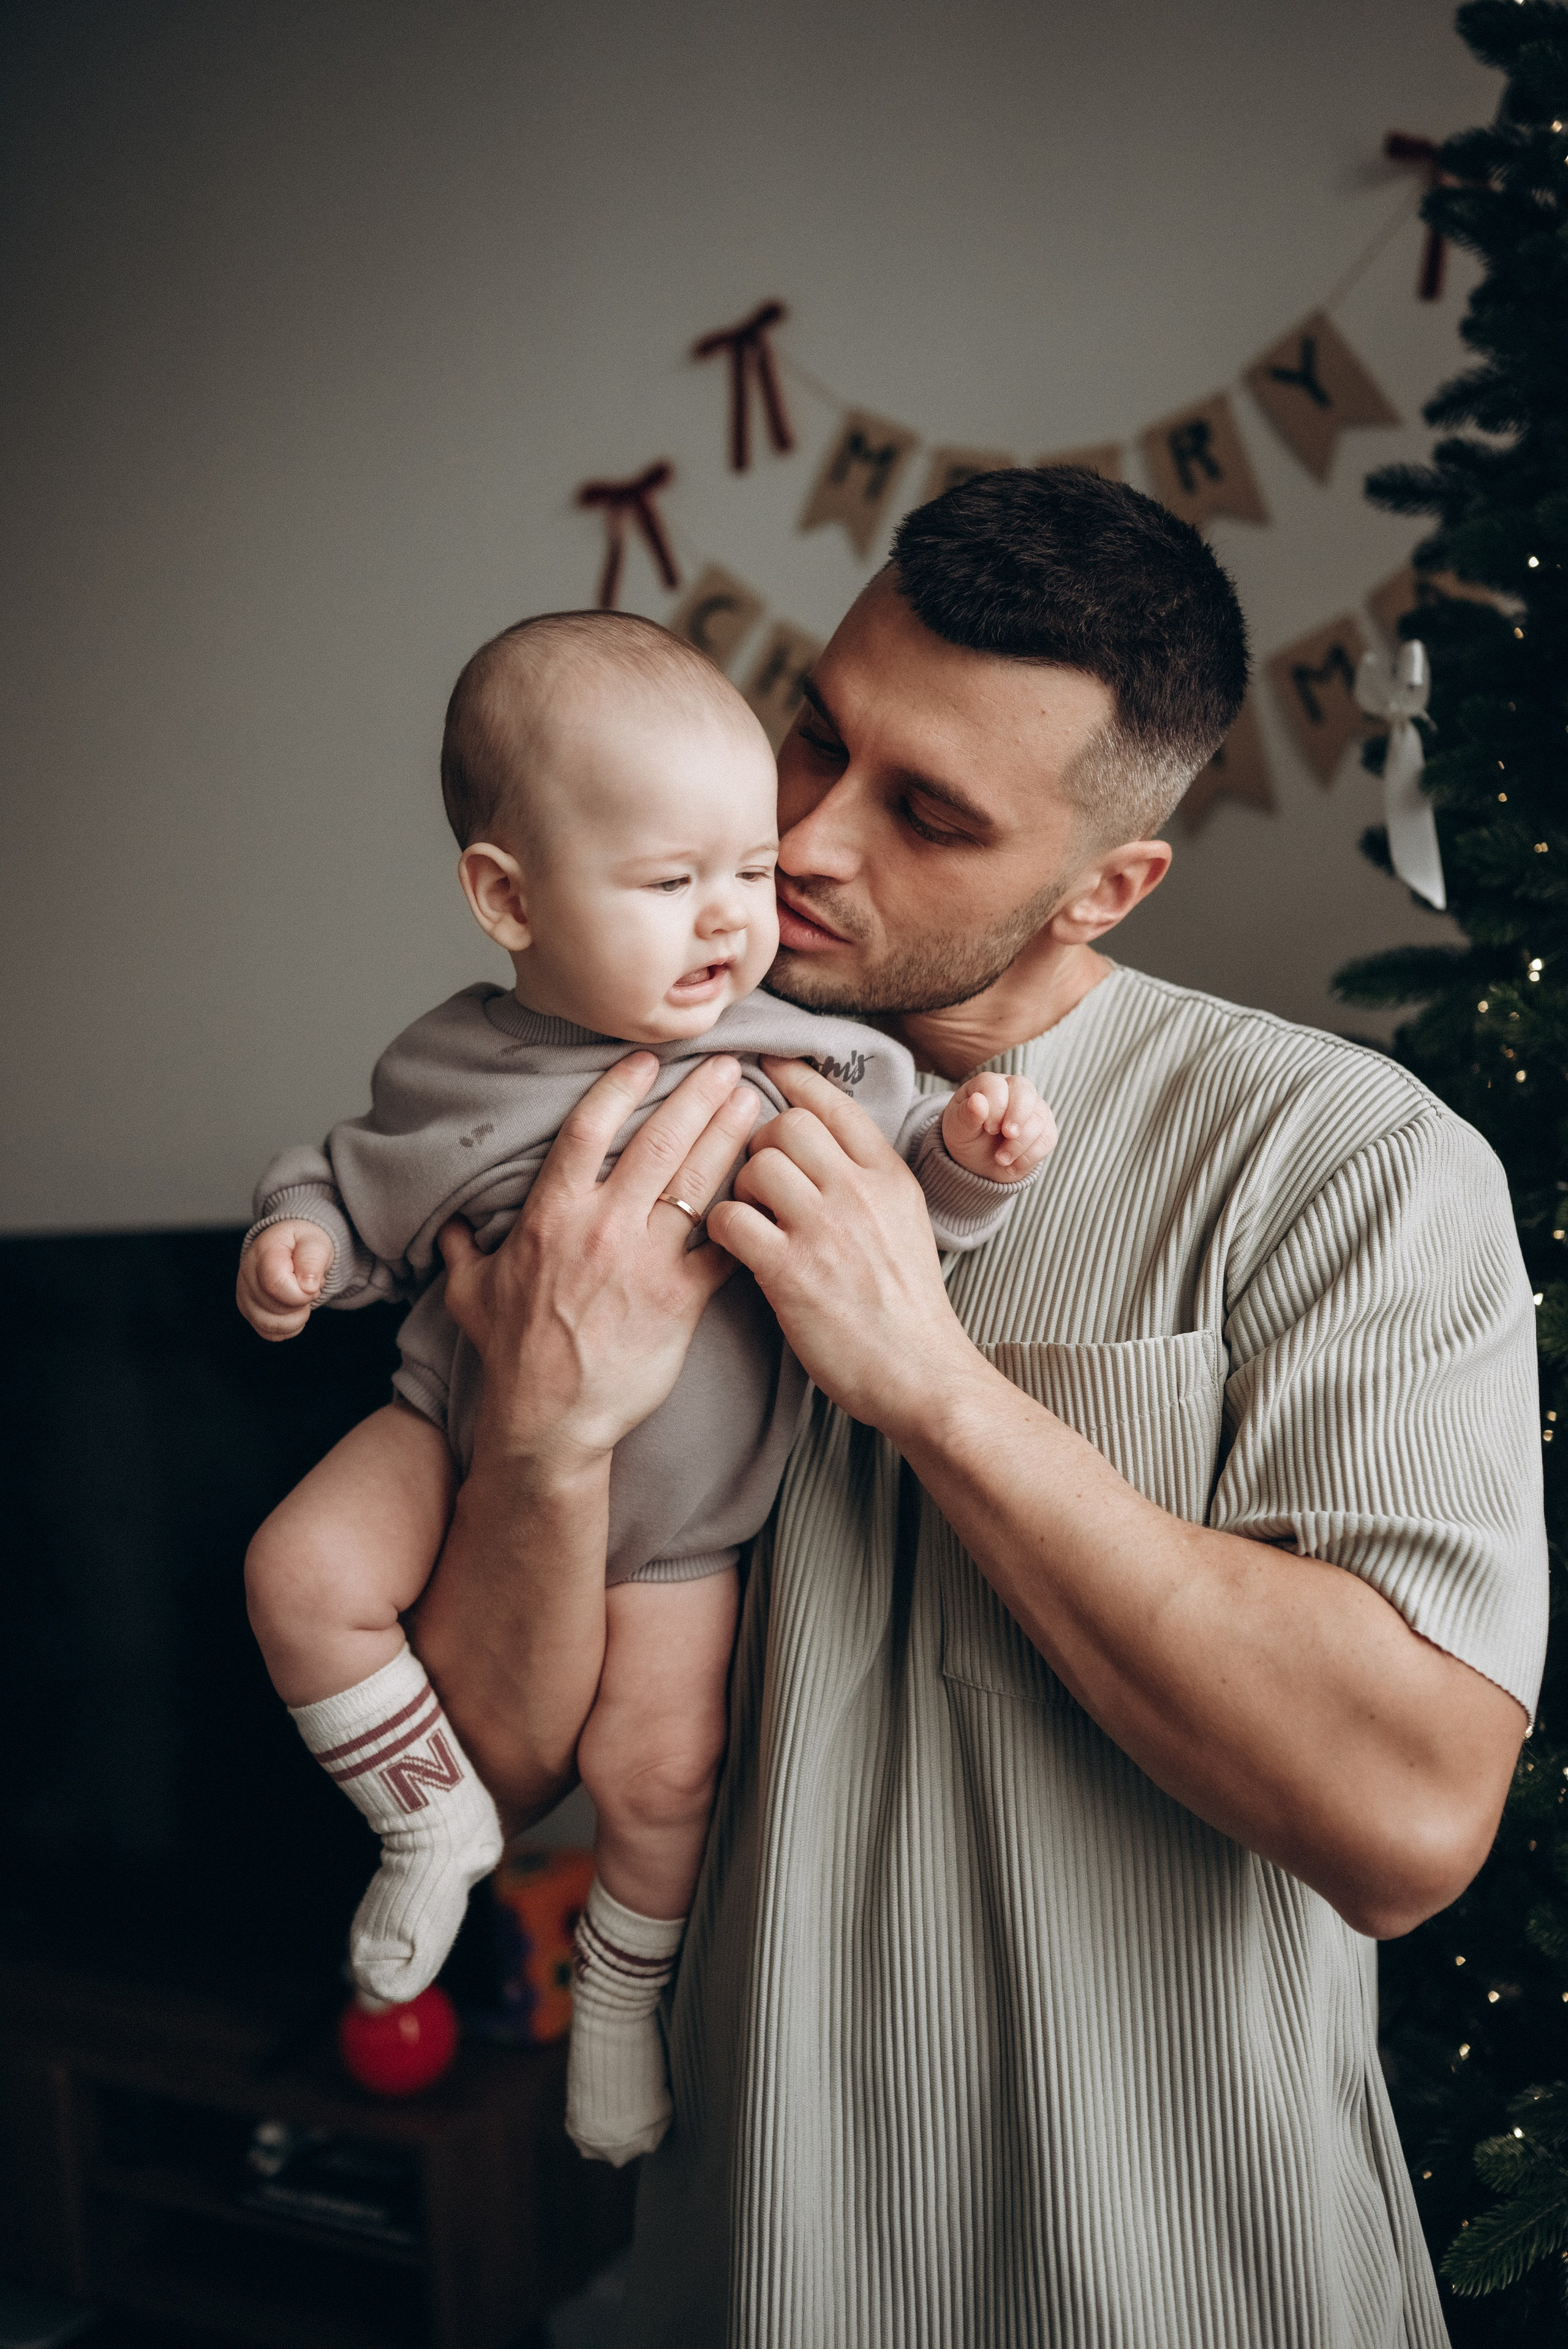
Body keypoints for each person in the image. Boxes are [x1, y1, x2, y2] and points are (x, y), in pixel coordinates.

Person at [413, 468, 1547, 2345]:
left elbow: (1408, 1822)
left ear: (1106, 886)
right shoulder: (583, 1116)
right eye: (813, 734)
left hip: (1190, 2287)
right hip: (740, 2273)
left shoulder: (1355, 1164)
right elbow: (483, 1766)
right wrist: (536, 1438)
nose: (808, 838)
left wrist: (932, 1383)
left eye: (929, 812)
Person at [236, 609, 1051, 2165]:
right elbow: (353, 1181)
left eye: (747, 872)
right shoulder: (445, 1067)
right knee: (296, 1571)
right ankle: (425, 1823)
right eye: (669, 885)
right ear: (506, 896)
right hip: (446, 1425)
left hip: (689, 1518)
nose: (728, 923)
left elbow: (901, 1219)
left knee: (660, 1771)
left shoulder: (808, 1062)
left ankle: (619, 1998)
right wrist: (295, 1246)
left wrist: (966, 1160)